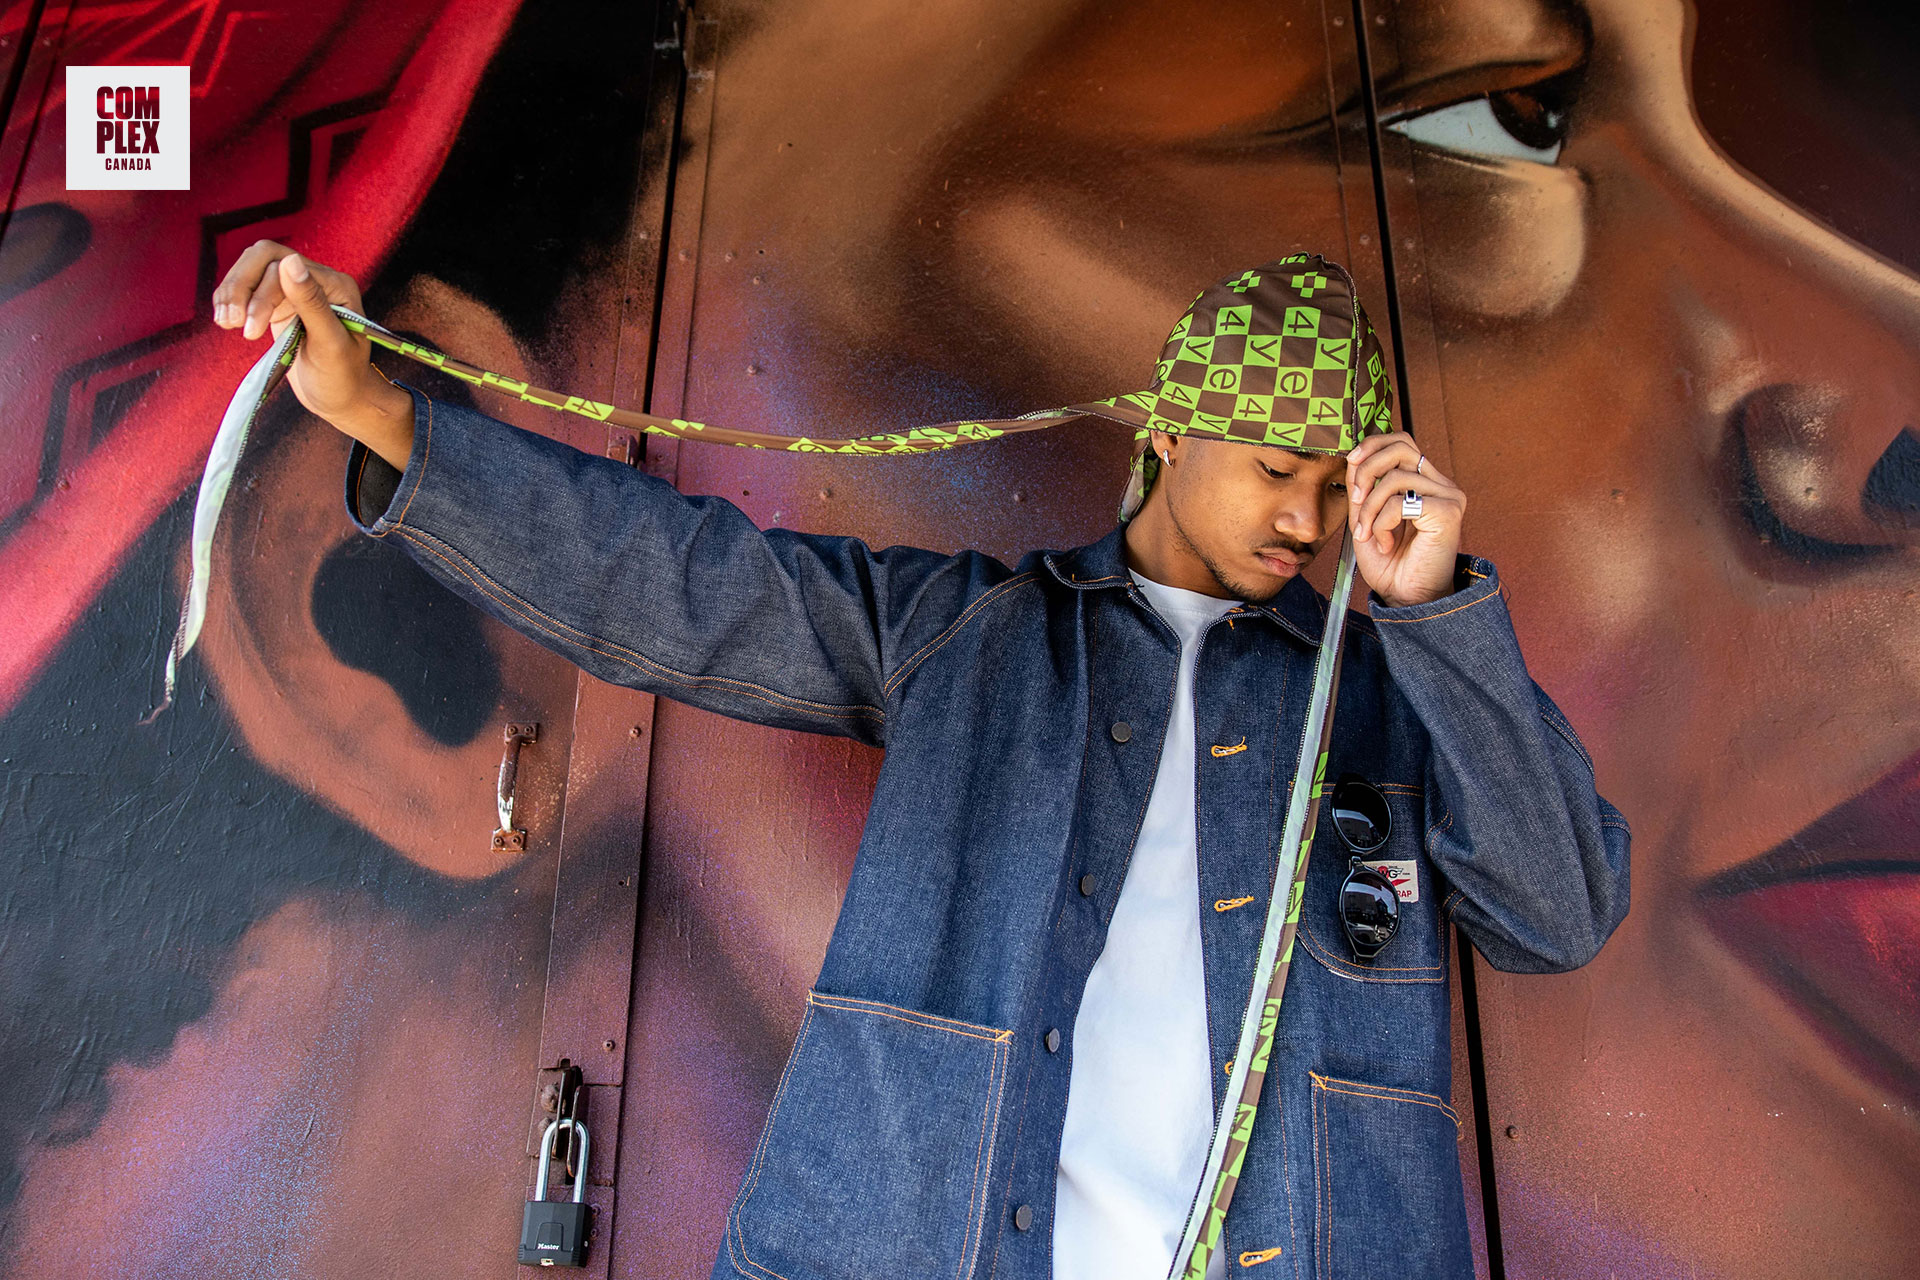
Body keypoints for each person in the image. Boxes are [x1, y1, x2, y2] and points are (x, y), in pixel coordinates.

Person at [213, 238, 1628, 1279]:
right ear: (1174, 429)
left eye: (1334, 486)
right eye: (1276, 469)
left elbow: (1557, 913)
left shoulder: (1392, 690)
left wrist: (1440, 611)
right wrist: (388, 420)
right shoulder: (974, 639)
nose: (1309, 520)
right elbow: (678, 582)